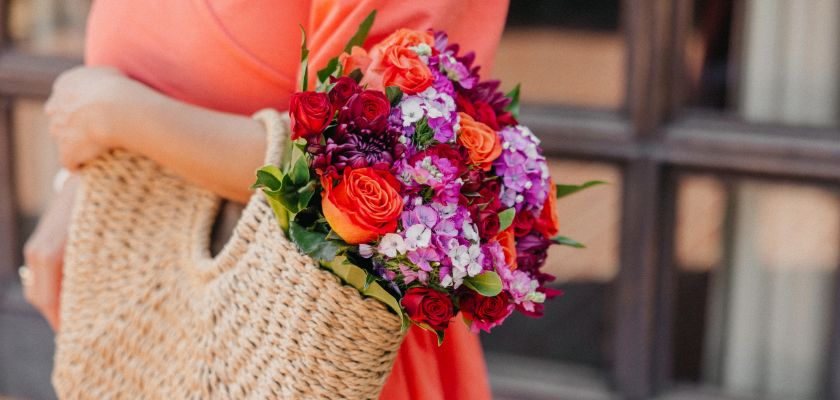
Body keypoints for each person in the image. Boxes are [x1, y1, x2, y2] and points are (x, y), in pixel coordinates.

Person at [23, 1, 509, 398]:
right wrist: (77, 184)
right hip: (150, 324)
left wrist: (116, 114)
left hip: (312, 340)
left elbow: (387, 166)